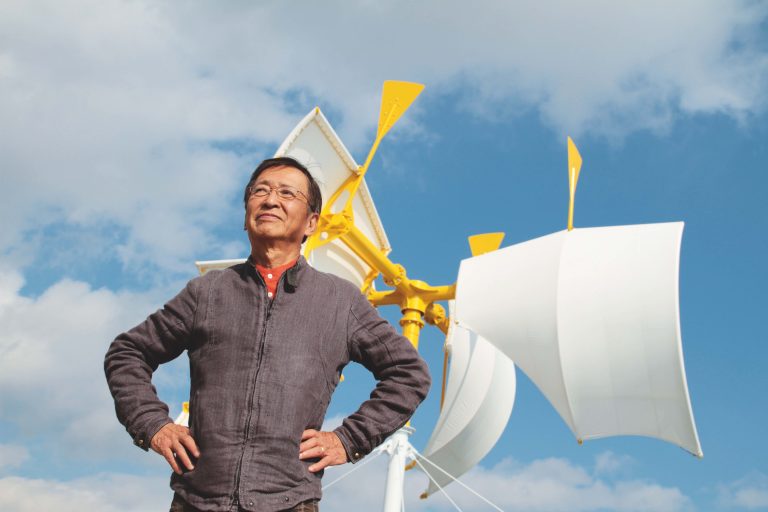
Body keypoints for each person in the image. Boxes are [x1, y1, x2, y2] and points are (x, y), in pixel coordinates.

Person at [104, 157, 431, 512]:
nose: (270, 200)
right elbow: (127, 353)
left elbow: (409, 374)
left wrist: (348, 438)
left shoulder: (341, 301)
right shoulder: (207, 292)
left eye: (287, 193)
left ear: (311, 223)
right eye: (260, 191)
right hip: (196, 500)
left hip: (290, 501)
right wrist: (152, 424)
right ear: (246, 214)